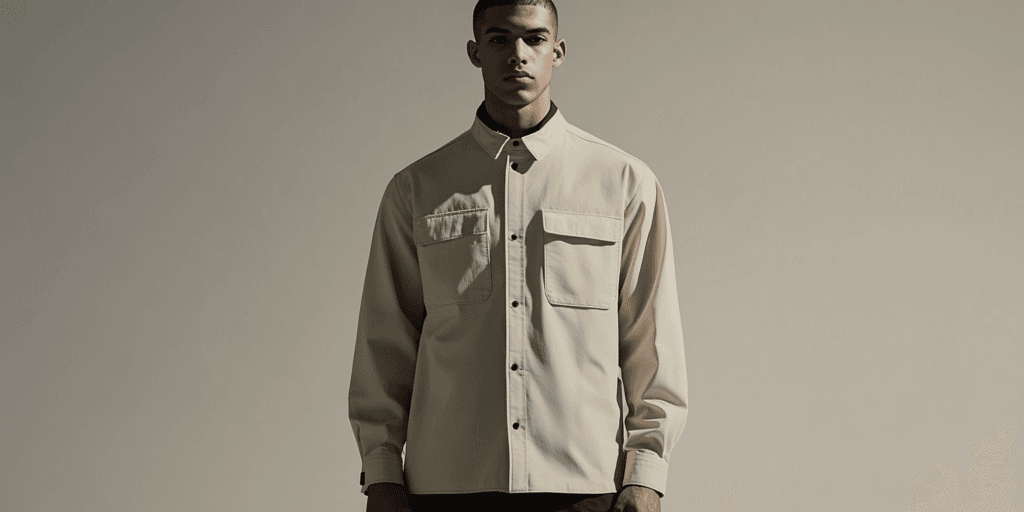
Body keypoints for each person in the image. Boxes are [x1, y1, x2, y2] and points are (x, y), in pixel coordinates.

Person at [348, 1, 688, 511]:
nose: (518, 56)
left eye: (534, 39)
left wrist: (648, 472)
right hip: (446, 489)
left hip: (583, 487)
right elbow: (386, 342)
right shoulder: (416, 190)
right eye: (500, 39)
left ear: (559, 50)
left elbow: (650, 338)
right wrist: (380, 472)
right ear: (474, 52)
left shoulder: (623, 184)